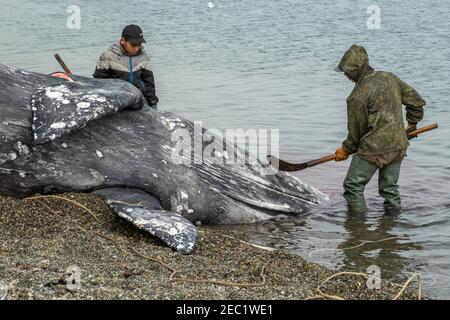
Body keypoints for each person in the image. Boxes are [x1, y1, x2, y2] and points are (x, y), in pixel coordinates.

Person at [334, 44, 426, 215]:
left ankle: (358, 229)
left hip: (373, 150)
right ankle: (391, 227)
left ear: (355, 71)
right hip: (399, 145)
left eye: (347, 72)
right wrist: (412, 124)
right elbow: (416, 101)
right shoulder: (389, 77)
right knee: (389, 189)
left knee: (352, 186)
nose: (346, 76)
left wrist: (345, 149)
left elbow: (356, 133)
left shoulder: (356, 97)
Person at [93, 24, 159, 107]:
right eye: (133, 45)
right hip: (115, 101)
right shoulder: (108, 56)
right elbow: (97, 83)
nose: (136, 48)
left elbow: (149, 83)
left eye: (139, 44)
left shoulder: (144, 57)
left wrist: (153, 103)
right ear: (122, 41)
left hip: (139, 101)